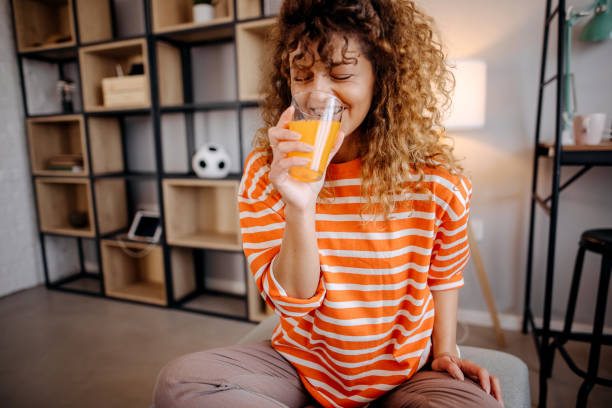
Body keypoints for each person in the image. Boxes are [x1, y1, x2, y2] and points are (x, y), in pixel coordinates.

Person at [153, 1, 504, 407]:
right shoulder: (266, 172)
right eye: (302, 75)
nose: (317, 95)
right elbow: (291, 299)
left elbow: (443, 277)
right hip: (301, 367)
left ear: (382, 78)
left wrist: (445, 352)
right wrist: (299, 205)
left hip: (406, 373)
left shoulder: (437, 179)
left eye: (340, 73)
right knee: (178, 384)